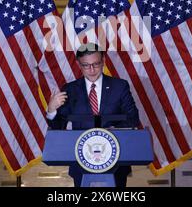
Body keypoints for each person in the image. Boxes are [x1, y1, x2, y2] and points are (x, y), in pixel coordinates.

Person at [46, 43, 140, 187]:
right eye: (86, 65)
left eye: (96, 64)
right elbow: (59, 127)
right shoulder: (70, 90)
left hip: (115, 162)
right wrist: (52, 110)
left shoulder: (120, 86)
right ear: (78, 64)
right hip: (81, 163)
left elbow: (133, 118)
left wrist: (109, 132)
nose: (91, 70)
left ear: (103, 61)